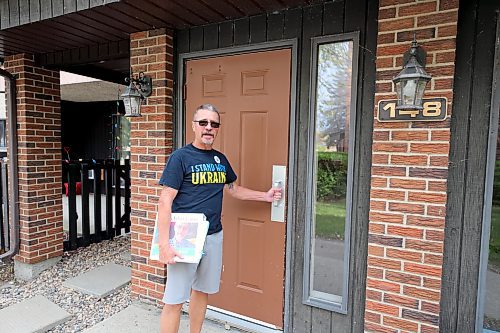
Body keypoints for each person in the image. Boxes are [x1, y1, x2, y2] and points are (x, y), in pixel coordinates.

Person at [156, 103, 282, 333]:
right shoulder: (180, 158)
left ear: (218, 129)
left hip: (213, 233)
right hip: (185, 236)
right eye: (203, 122)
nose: (209, 128)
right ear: (194, 126)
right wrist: (164, 244)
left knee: (202, 291)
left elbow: (234, 189)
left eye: (214, 124)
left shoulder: (220, 159)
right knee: (174, 299)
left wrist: (265, 196)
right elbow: (165, 201)